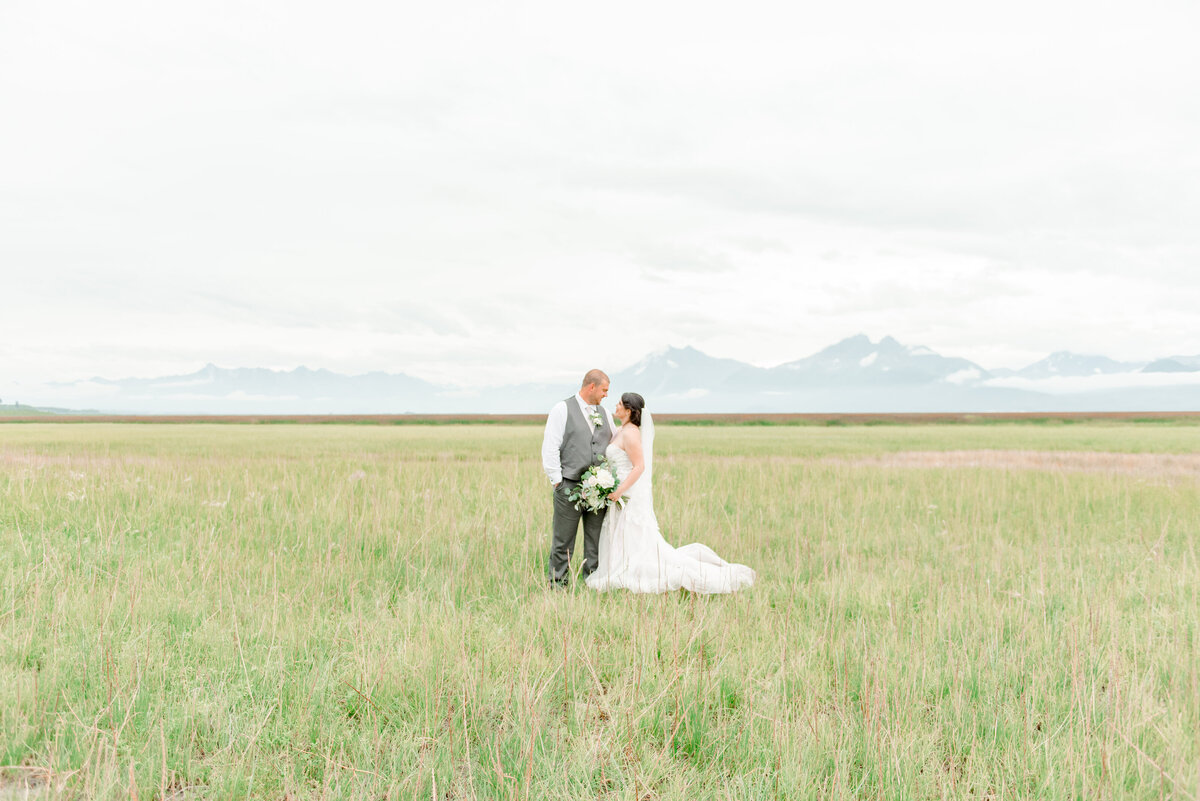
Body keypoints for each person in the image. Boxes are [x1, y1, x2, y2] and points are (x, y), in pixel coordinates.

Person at [586, 392, 755, 594]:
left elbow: (639, 466)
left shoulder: (631, 433)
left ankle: (632, 569)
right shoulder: (622, 429)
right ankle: (616, 565)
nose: (616, 405)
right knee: (620, 532)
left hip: (626, 492)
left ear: (629, 410)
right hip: (617, 489)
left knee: (631, 532)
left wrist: (619, 491)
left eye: (620, 403)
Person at [541, 369, 614, 587]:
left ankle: (593, 582)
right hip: (569, 485)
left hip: (599, 489)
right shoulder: (562, 409)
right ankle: (558, 584)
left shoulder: (606, 414)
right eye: (604, 390)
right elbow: (550, 446)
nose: (606, 395)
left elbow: (613, 444)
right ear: (591, 387)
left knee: (596, 540)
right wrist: (557, 481)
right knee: (563, 540)